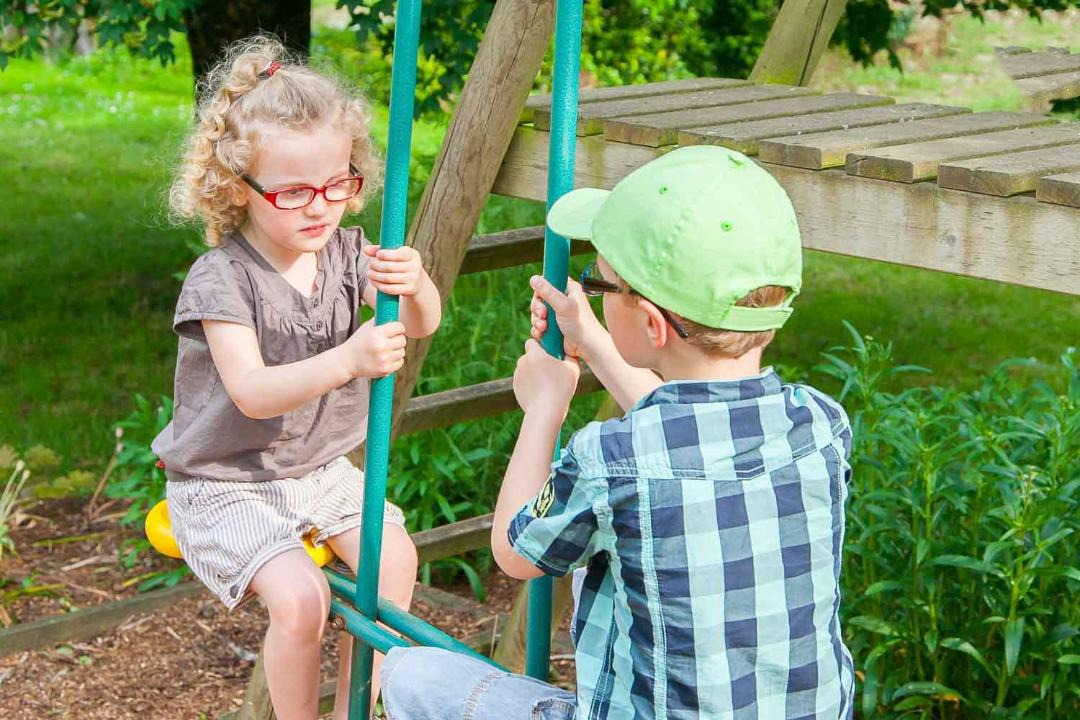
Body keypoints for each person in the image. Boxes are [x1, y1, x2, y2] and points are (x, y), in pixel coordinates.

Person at [379, 145, 855, 719]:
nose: (593, 295)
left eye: (599, 286)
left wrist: (544, 408)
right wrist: (594, 340)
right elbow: (690, 437)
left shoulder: (611, 455)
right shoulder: (821, 422)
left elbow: (514, 550)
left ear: (652, 323)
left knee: (413, 673)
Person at [151, 36, 441, 720]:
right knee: (302, 599)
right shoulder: (220, 279)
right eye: (294, 191)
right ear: (234, 187)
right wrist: (347, 361)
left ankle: (352, 709)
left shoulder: (346, 252)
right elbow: (250, 391)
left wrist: (417, 283)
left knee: (396, 563)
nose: (320, 206)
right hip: (226, 481)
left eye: (339, 183)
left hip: (317, 468)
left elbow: (423, 322)